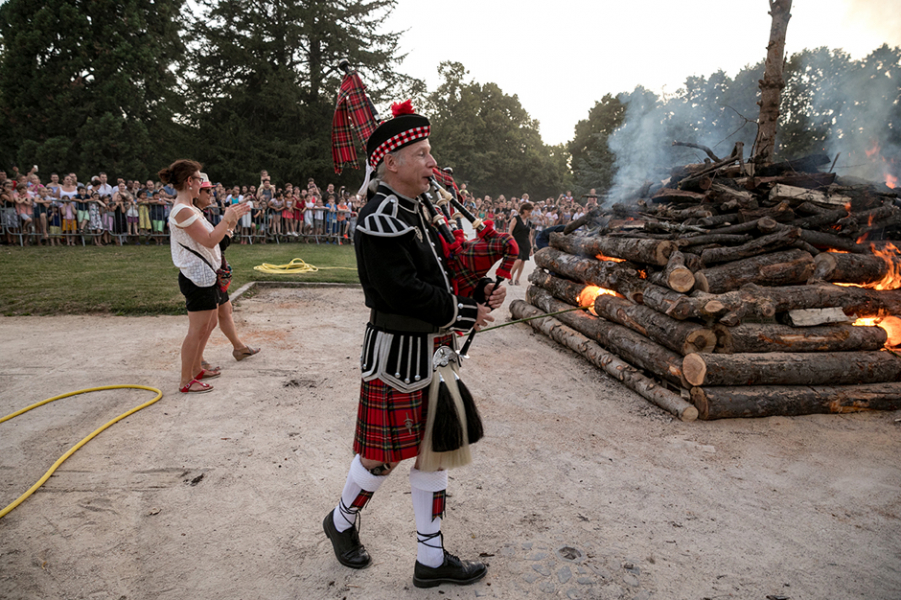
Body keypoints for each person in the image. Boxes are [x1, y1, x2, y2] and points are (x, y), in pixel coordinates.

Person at [322, 103, 504, 589]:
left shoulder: (420, 210)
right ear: (391, 163)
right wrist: (464, 312)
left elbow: (443, 271)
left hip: (434, 352)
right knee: (382, 456)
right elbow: (403, 289)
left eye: (430, 152)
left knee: (434, 450)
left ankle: (431, 557)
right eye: (422, 153)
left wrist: (477, 291)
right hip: (397, 356)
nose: (432, 162)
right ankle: (340, 522)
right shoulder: (379, 218)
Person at [160, 160, 249, 394]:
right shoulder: (182, 210)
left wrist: (229, 222)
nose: (202, 184)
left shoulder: (190, 208)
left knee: (208, 324)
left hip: (205, 276)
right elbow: (209, 239)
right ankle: (185, 379)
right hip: (195, 278)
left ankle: (197, 368)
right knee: (197, 329)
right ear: (190, 182)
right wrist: (227, 219)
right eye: (200, 180)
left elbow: (214, 239)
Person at [192, 177, 260, 367]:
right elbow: (217, 244)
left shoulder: (200, 214)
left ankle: (238, 347)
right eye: (207, 191)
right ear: (196, 194)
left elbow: (218, 245)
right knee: (208, 321)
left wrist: (231, 224)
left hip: (212, 270)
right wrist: (229, 225)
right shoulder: (194, 216)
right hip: (204, 273)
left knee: (225, 310)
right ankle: (197, 359)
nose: (211, 194)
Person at [507, 201, 534, 285]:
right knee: (518, 260)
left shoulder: (529, 222)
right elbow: (510, 231)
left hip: (525, 243)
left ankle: (517, 279)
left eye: (530, 211)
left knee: (523, 261)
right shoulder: (516, 218)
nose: (530, 213)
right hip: (516, 242)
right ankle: (510, 277)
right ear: (524, 210)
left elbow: (530, 235)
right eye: (528, 211)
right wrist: (510, 242)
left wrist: (531, 247)